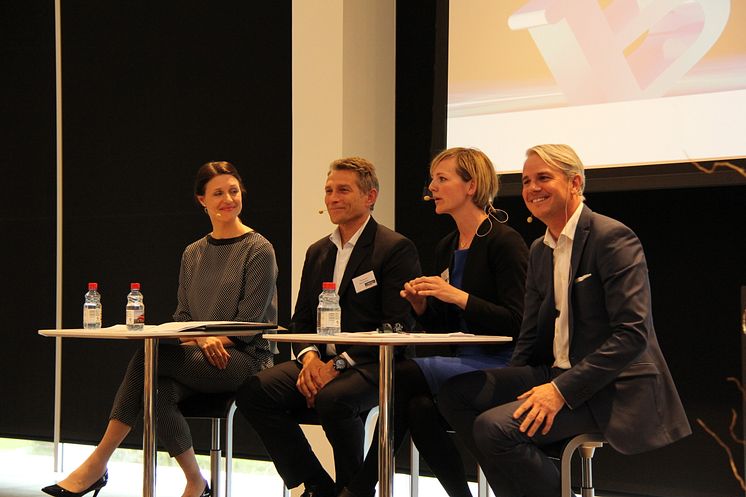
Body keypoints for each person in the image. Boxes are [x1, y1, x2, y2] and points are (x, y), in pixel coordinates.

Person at [439, 144, 691, 497]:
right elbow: (528, 334)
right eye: (526, 181)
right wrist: (513, 382)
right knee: (456, 393)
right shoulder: (541, 250)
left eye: (543, 178)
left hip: (608, 386)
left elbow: (632, 335)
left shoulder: (612, 237)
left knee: (494, 429)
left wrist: (559, 391)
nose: (532, 188)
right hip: (553, 373)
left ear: (575, 183)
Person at [42, 161, 278, 497]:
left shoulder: (258, 249)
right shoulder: (193, 253)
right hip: (197, 353)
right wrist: (200, 337)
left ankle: (98, 462)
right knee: (156, 392)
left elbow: (251, 325)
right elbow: (182, 316)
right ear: (202, 200)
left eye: (234, 191)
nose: (228, 198)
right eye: (218, 193)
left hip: (243, 358)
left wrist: (208, 338)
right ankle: (197, 482)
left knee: (147, 357)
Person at [342, 148, 528, 497]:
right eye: (433, 180)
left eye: (442, 179)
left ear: (471, 186)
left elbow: (516, 322)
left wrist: (457, 296)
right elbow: (446, 327)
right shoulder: (447, 245)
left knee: (402, 375)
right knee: (418, 408)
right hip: (461, 359)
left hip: (502, 363)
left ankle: (359, 488)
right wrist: (423, 306)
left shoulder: (505, 242)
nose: (432, 188)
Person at [236, 156, 421, 497]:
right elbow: (300, 321)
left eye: (343, 190)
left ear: (370, 196)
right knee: (255, 391)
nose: (333, 198)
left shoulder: (394, 248)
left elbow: (397, 324)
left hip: (372, 364)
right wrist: (309, 361)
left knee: (334, 399)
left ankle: (354, 490)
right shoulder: (318, 251)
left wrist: (338, 364)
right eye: (329, 190)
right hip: (320, 362)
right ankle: (319, 487)